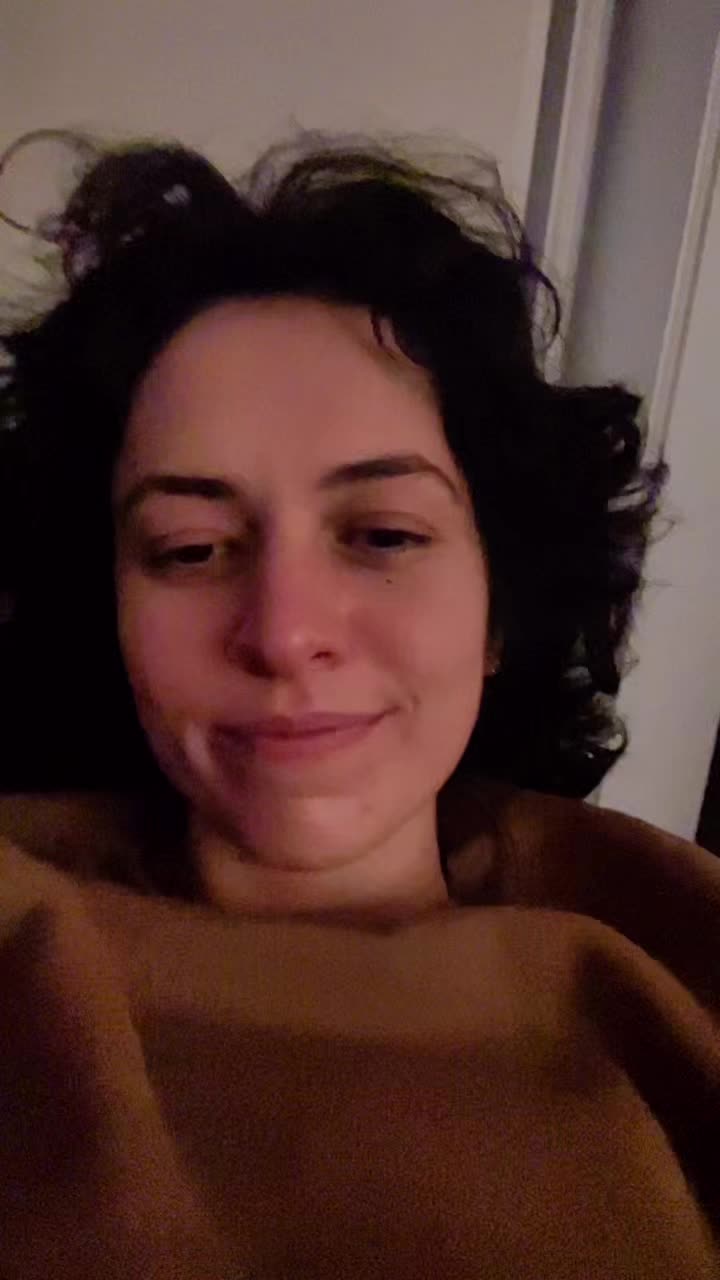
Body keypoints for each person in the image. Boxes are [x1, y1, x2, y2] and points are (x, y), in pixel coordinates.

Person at [0, 132, 718, 1279]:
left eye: (383, 534)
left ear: (500, 607)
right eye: (190, 548)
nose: (285, 633)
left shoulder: (680, 964)